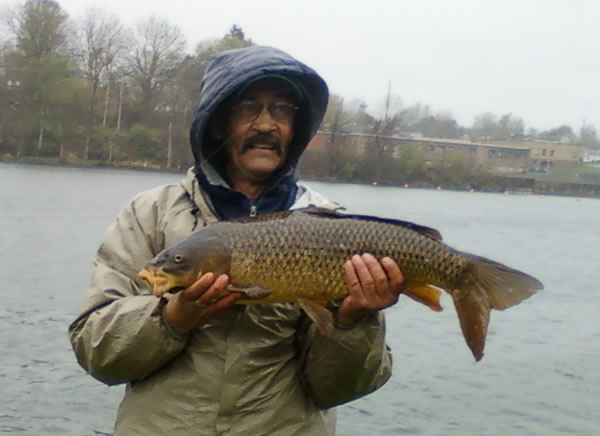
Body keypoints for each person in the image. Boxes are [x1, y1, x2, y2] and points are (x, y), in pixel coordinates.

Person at [69, 45, 405, 436]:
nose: (266, 124)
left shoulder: (330, 228)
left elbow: (339, 389)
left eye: (282, 110)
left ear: (296, 129)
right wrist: (174, 318)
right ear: (217, 123)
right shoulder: (148, 214)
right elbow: (97, 354)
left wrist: (352, 322)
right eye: (248, 108)